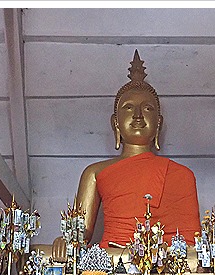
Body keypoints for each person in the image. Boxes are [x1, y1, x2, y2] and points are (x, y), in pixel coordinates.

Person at [61, 51, 201, 253]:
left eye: (147, 109)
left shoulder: (182, 174)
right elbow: (81, 233)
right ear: (115, 123)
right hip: (117, 255)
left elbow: (192, 244)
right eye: (128, 108)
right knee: (46, 251)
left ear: (158, 124)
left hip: (169, 258)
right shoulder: (95, 172)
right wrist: (66, 243)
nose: (137, 116)